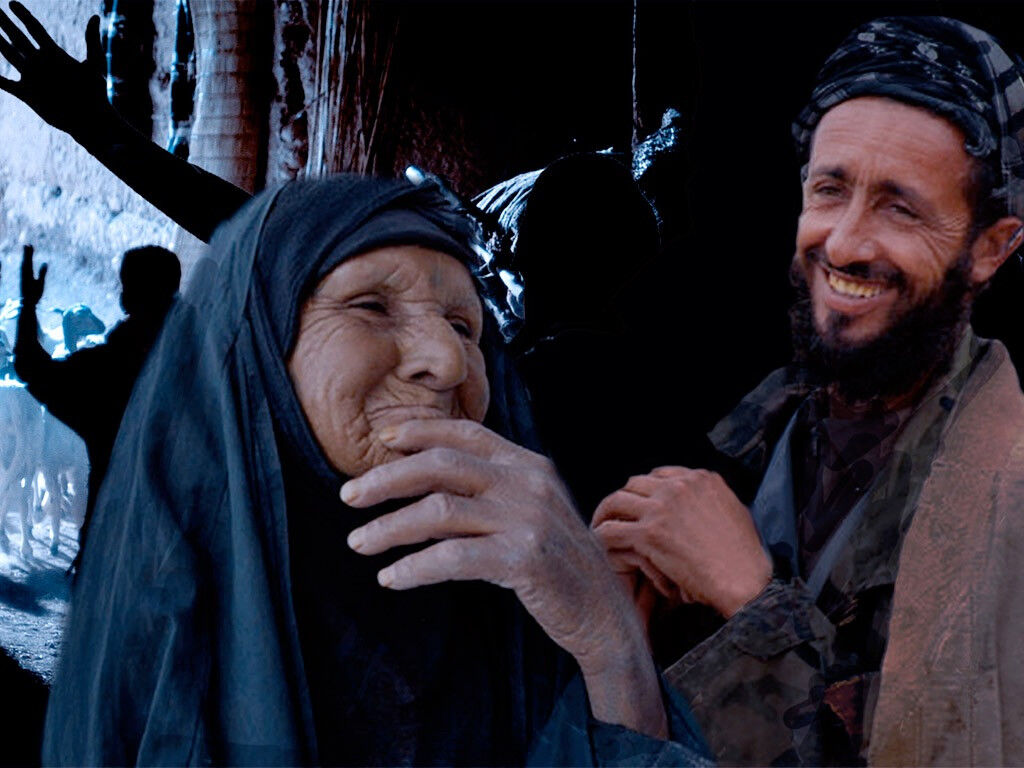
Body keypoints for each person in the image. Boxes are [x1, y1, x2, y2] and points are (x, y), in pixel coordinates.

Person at [42, 175, 711, 766]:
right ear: (262, 356)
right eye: (370, 306)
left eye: (466, 326)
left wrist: (610, 643)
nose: (448, 362)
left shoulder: (516, 623)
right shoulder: (170, 638)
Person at [592, 16, 1024, 766]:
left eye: (900, 207)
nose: (845, 242)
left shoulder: (1006, 500)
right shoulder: (744, 440)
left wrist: (752, 604)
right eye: (830, 190)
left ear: (990, 248)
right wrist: (606, 630)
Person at [14, 244, 180, 561]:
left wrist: (29, 303)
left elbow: (34, 371)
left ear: (132, 295)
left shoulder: (109, 369)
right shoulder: (205, 362)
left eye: (126, 285)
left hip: (114, 548)